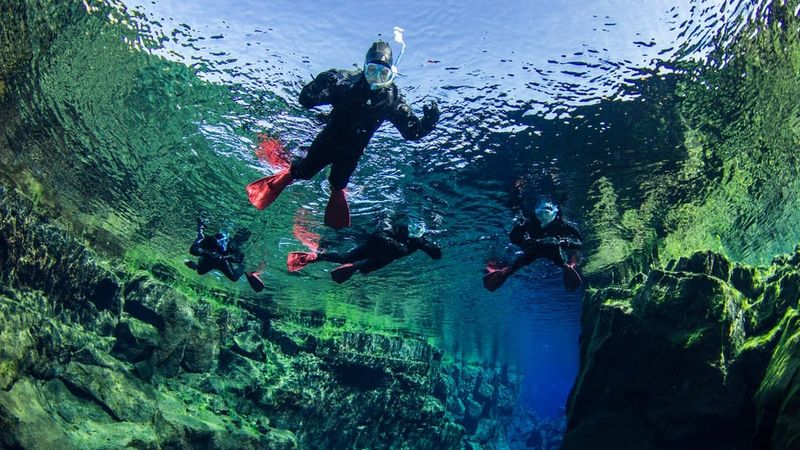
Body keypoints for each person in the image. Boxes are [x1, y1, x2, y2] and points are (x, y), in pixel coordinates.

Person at [245, 40, 441, 229]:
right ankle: (288, 173)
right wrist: (320, 82)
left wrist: (429, 122)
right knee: (304, 172)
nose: (375, 79)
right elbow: (306, 100)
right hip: (328, 140)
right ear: (364, 68)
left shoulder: (391, 100)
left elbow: (411, 133)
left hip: (352, 152)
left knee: (338, 183)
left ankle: (335, 193)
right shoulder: (344, 83)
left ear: (390, 75)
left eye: (382, 74)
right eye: (372, 71)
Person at [286, 218, 442, 283]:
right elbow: (379, 234)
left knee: (361, 267)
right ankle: (315, 256)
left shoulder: (419, 241)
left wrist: (429, 246)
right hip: (379, 246)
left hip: (386, 254)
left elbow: (436, 254)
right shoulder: (395, 229)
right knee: (345, 258)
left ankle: (353, 265)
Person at [483, 202, 583, 292]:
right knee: (516, 265)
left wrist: (566, 243)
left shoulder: (562, 224)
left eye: (548, 214)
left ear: (555, 213)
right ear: (536, 213)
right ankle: (503, 273)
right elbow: (513, 237)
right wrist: (524, 241)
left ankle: (569, 266)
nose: (544, 217)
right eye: (540, 214)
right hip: (534, 249)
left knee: (562, 262)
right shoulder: (530, 222)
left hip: (551, 249)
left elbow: (579, 241)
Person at [184, 211, 265, 292]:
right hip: (217, 258)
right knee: (233, 270)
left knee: (201, 268)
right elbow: (196, 248)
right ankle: (245, 267)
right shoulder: (207, 243)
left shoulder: (207, 244)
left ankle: (245, 231)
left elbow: (195, 249)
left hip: (216, 256)